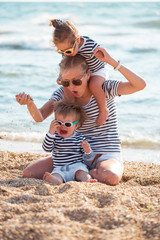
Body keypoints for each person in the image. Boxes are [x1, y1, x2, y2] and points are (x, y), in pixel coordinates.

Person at [16, 47, 146, 185]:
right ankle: (80, 174)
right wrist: (29, 103)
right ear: (60, 80)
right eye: (66, 82)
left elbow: (139, 85)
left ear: (88, 75)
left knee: (111, 177)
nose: (72, 87)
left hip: (105, 153)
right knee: (28, 173)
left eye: (76, 81)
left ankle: (81, 174)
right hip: (72, 154)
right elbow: (40, 116)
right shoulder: (61, 93)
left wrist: (112, 61)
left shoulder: (104, 88)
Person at [49, 18, 109, 126]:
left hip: (97, 70)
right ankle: (71, 116)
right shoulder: (67, 49)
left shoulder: (90, 47)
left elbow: (105, 56)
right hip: (82, 72)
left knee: (94, 85)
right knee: (66, 86)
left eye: (68, 51)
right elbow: (65, 63)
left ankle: (103, 110)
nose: (66, 53)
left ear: (77, 41)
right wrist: (61, 76)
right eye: (61, 51)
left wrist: (114, 63)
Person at [42, 99, 96, 184]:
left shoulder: (79, 138)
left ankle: (87, 180)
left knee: (82, 173)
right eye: (59, 123)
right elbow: (46, 148)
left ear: (76, 125)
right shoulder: (54, 136)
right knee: (56, 174)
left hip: (76, 166)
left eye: (68, 124)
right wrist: (50, 132)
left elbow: (88, 158)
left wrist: (88, 150)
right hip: (60, 168)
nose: (63, 127)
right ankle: (57, 181)